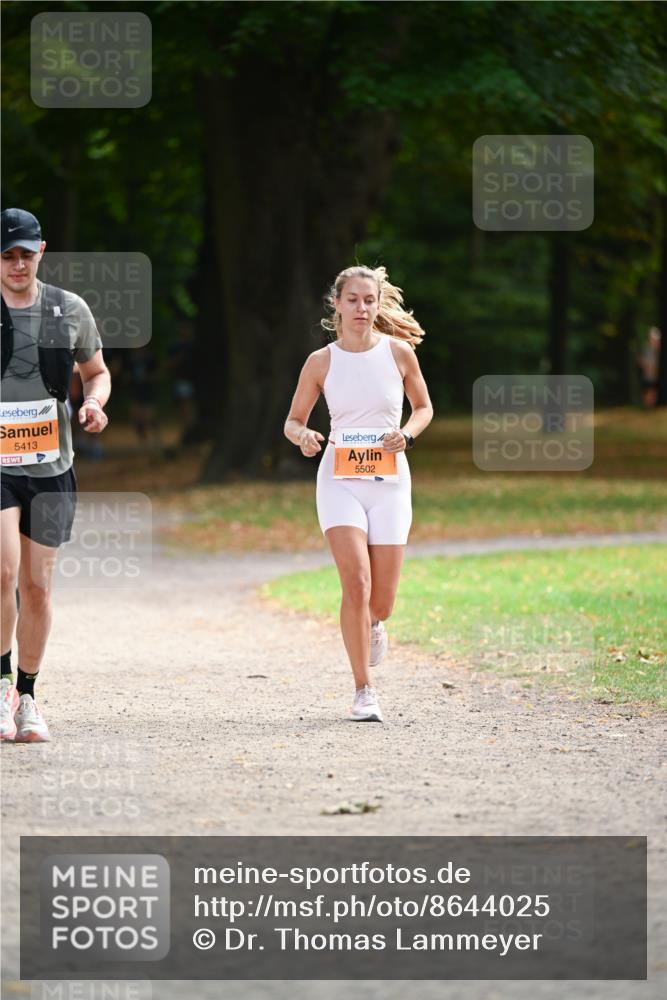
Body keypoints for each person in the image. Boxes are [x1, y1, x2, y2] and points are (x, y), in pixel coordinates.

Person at [284, 265, 433, 722]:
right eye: (352, 300)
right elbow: (292, 421)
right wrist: (304, 437)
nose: (361, 308)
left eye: (369, 300)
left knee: (381, 600)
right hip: (339, 481)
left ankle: (374, 623)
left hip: (389, 482)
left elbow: (424, 408)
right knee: (356, 582)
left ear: (377, 304)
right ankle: (363, 690)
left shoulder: (400, 354)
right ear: (337, 304)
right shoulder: (321, 361)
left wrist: (405, 435)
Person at [0, 208, 111, 742]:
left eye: (25, 253)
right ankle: (0, 689)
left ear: (40, 250)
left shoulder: (69, 309)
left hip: (52, 465)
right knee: (3, 573)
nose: (17, 263)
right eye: (7, 255)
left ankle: (27, 696)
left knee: (37, 587)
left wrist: (93, 403)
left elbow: (97, 371)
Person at [636, 326, 661, 409]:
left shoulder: (659, 350)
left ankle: (651, 406)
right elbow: (640, 359)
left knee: (653, 391)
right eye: (654, 339)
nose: (656, 341)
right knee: (648, 391)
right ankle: (648, 406)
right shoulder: (645, 348)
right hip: (647, 376)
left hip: (655, 376)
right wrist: (646, 366)